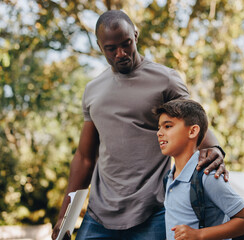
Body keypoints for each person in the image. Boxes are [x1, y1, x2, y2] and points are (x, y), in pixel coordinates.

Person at [52, 10, 228, 240]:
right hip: (99, 214)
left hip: (153, 211)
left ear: (135, 35)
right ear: (99, 46)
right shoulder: (93, 90)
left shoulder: (165, 80)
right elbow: (85, 158)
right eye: (111, 48)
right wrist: (64, 217)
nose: (121, 53)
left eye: (126, 44)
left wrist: (215, 149)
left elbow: (194, 124)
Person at [155, 99, 244, 240]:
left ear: (192, 131)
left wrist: (199, 235)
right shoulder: (169, 177)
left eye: (167, 126)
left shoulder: (207, 176)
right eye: (159, 127)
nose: (159, 133)